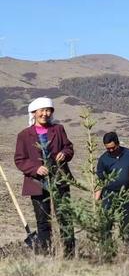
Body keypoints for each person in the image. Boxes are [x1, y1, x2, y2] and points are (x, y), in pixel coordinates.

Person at [14, 97, 75, 256]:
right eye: (42, 110)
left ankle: (69, 255)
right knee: (43, 221)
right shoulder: (24, 135)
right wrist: (35, 168)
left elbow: (69, 148)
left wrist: (64, 153)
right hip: (37, 183)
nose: (45, 114)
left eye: (49, 110)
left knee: (65, 218)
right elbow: (20, 159)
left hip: (59, 180)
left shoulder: (58, 129)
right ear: (33, 113)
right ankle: (47, 255)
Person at [95, 132, 129, 244]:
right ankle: (106, 249)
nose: (110, 150)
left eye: (112, 148)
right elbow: (99, 180)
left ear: (118, 143)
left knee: (126, 224)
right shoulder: (103, 159)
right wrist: (96, 197)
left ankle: (128, 248)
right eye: (107, 148)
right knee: (107, 224)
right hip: (108, 195)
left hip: (125, 194)